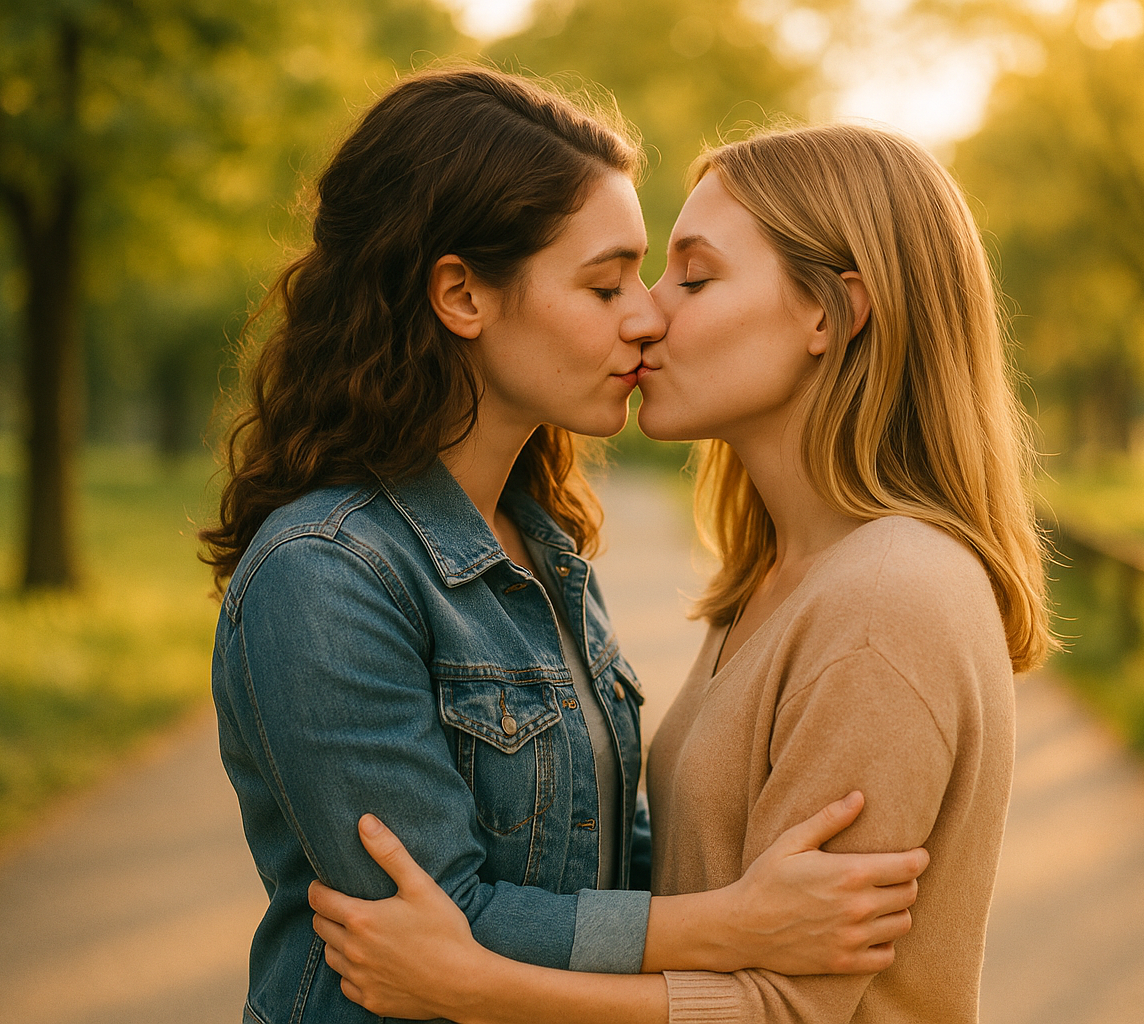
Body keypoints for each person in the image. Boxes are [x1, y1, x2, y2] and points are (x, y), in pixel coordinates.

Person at [203, 69, 932, 1024]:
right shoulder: (327, 572)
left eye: (651, 274)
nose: (647, 315)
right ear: (463, 295)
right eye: (606, 283)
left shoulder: (544, 552)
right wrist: (736, 926)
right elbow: (429, 926)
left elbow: (600, 860)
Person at [307, 121, 1053, 1023]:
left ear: (834, 313)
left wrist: (478, 986)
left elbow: (791, 1007)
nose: (649, 313)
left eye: (693, 278)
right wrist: (722, 923)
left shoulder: (887, 597)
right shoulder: (778, 576)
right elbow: (705, 892)